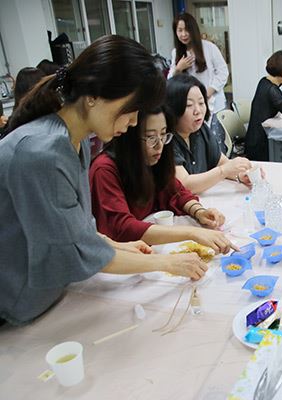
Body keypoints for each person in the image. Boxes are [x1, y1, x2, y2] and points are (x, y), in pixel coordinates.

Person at [0, 36, 214, 326]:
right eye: (132, 109)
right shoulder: (42, 152)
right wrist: (167, 263)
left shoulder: (73, 142)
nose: (136, 121)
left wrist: (114, 246)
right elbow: (71, 250)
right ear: (94, 97)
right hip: (14, 306)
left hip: (49, 299)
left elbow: (74, 229)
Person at [90, 105, 231, 246]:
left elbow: (176, 192)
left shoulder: (152, 159)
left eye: (163, 135)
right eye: (151, 137)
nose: (159, 145)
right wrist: (191, 233)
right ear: (128, 137)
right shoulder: (104, 170)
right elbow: (122, 228)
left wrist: (199, 212)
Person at [165, 75, 255, 193]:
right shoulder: (166, 140)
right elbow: (185, 185)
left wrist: (240, 174)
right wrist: (224, 171)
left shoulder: (201, 130)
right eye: (189, 105)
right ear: (173, 108)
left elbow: (222, 162)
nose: (198, 111)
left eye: (201, 103)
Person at [168, 12, 229, 114]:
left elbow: (223, 72)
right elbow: (170, 81)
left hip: (214, 103)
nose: (183, 34)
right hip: (191, 107)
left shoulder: (209, 47)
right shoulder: (176, 52)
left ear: (194, 30)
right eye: (180, 30)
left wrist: (208, 92)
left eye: (187, 30)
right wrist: (178, 69)